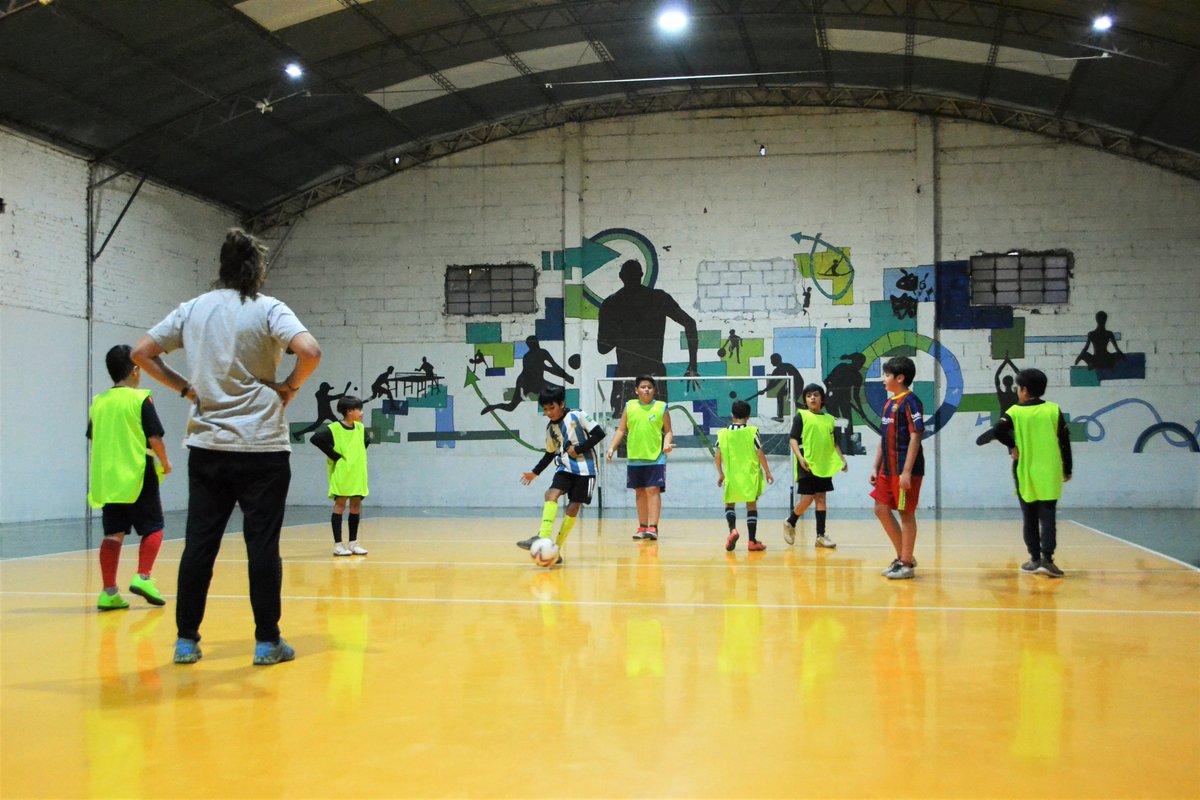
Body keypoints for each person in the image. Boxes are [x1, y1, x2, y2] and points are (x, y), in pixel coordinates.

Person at [132, 227, 322, 666]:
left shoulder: (194, 309)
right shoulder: (269, 309)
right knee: (262, 545)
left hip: (208, 444)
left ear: (222, 267)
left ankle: (185, 640)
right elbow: (309, 350)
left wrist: (184, 388)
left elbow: (142, 351)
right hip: (262, 449)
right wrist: (290, 386)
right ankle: (267, 641)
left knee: (200, 543)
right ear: (257, 270)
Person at [87, 345, 172, 611]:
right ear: (136, 370)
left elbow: (93, 437)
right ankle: (143, 576)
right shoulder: (140, 398)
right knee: (154, 527)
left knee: (113, 534)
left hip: (109, 479)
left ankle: (109, 592)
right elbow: (154, 436)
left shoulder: (99, 402)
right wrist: (165, 463)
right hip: (137, 473)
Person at [976, 368, 1073, 577]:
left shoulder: (1015, 412)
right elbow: (1065, 441)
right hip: (1050, 471)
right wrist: (1068, 468)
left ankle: (1034, 559)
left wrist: (1012, 445)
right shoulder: (1054, 410)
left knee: (1029, 517)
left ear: (1024, 391)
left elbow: (997, 431)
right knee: (1048, 517)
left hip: (1025, 471)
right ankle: (1048, 560)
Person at [516, 387, 606, 563]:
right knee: (550, 494)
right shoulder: (550, 428)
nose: (549, 412)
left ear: (562, 404)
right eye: (545, 409)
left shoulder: (577, 416)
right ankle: (542, 536)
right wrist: (535, 473)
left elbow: (599, 434)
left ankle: (555, 548)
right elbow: (550, 453)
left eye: (552, 408)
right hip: (565, 467)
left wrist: (579, 449)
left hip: (586, 469)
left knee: (572, 507)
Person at [597, 259, 699, 414]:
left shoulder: (611, 303)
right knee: (657, 427)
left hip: (626, 375)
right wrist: (692, 366)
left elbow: (602, 348)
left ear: (620, 276)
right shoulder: (658, 298)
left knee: (626, 430)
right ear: (641, 275)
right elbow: (690, 324)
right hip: (653, 375)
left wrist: (623, 330)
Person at [869, 356, 924, 580]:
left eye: (887, 375)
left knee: (905, 513)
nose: (883, 379)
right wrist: (875, 465)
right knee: (880, 508)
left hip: (904, 469)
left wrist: (907, 471)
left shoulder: (911, 402)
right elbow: (883, 437)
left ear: (899, 378)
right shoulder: (888, 403)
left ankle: (906, 562)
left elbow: (916, 436)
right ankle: (904, 555)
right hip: (886, 469)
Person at [606, 376, 673, 541]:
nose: (646, 389)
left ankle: (653, 527)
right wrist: (611, 447)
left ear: (654, 390)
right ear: (636, 390)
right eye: (643, 387)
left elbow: (669, 430)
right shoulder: (630, 407)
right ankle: (642, 526)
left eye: (650, 387)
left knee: (653, 490)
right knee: (640, 492)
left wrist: (667, 444)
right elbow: (621, 430)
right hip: (635, 457)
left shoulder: (661, 407)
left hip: (655, 457)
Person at [783, 383, 847, 549]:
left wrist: (842, 460)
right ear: (805, 399)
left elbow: (833, 443)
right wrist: (799, 457)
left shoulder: (829, 419)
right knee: (807, 498)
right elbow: (793, 439)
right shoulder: (801, 416)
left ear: (822, 399)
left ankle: (820, 535)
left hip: (823, 464)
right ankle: (791, 522)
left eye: (816, 395)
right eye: (809, 395)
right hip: (807, 463)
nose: (813, 397)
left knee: (821, 498)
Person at [310, 395, 371, 557]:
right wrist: (335, 455)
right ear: (350, 411)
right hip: (343, 472)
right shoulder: (335, 428)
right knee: (340, 505)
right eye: (359, 409)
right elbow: (315, 439)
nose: (362, 413)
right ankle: (338, 545)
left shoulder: (360, 428)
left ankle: (353, 543)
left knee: (356, 506)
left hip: (358, 472)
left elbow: (366, 442)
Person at [715, 399, 774, 552]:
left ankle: (732, 530)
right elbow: (759, 452)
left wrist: (721, 474)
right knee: (751, 506)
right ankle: (752, 541)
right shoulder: (752, 432)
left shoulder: (723, 434)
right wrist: (767, 472)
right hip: (749, 475)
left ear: (731, 415)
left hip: (732, 476)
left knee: (729, 504)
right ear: (748, 416)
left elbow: (717, 455)